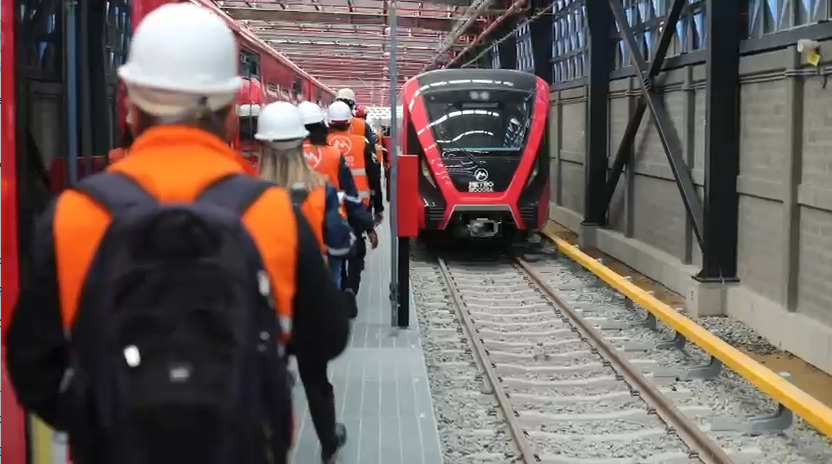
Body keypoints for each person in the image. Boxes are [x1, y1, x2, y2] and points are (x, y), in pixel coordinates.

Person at [5, 4, 350, 464]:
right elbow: (327, 338)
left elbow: (31, 366)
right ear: (230, 114)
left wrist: (97, 419)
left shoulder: (74, 214)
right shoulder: (273, 212)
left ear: (130, 108)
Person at [254, 101, 352, 463]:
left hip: (265, 301)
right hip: (310, 298)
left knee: (266, 376)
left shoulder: (250, 193)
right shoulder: (320, 188)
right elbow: (339, 239)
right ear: (301, 144)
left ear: (262, 146)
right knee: (315, 376)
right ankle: (328, 440)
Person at [297, 100, 376, 262]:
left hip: (296, 231)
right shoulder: (334, 154)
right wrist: (368, 224)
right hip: (332, 224)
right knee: (336, 272)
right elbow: (352, 196)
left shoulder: (286, 157)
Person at [327, 101, 383, 303]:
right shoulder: (362, 143)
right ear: (350, 122)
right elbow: (374, 175)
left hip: (332, 205)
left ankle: (340, 285)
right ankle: (351, 288)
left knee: (335, 247)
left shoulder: (323, 144)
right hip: (359, 203)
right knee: (356, 249)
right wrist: (378, 208)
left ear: (329, 123)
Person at [334, 88, 379, 159]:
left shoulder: (325, 124)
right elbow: (371, 144)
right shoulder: (362, 125)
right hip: (357, 163)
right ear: (352, 104)